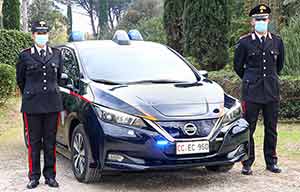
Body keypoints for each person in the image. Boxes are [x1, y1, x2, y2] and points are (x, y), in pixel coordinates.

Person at [234, 4, 285, 175]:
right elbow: (238, 67)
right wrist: (250, 79)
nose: (261, 22)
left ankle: (271, 162)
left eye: (264, 19)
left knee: (271, 128)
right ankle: (247, 162)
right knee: (249, 128)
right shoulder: (244, 42)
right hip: (252, 92)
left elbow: (279, 66)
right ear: (252, 22)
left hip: (271, 91)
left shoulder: (277, 41)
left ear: (268, 20)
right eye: (258, 19)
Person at [16, 21, 63, 189]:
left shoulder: (56, 54)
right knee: (34, 143)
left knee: (50, 142)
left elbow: (58, 79)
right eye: (38, 33)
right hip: (32, 106)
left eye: (44, 33)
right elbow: (20, 80)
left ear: (48, 35)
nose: (42, 36)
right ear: (33, 36)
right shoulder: (25, 55)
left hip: (52, 104)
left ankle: (50, 176)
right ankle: (34, 176)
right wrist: (31, 93)